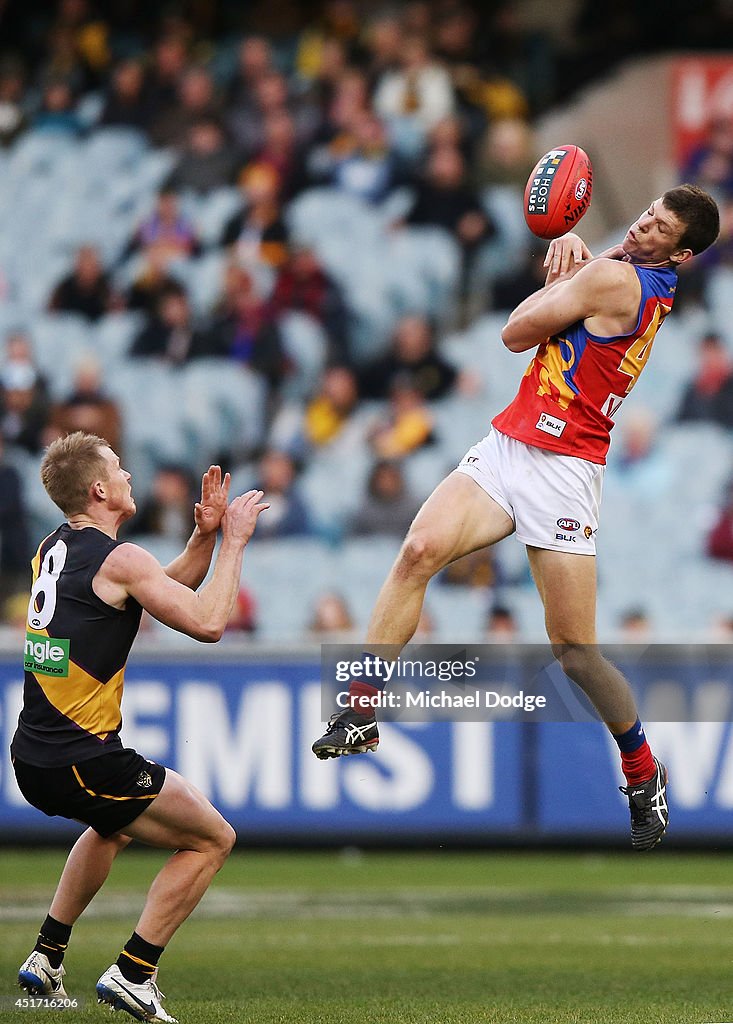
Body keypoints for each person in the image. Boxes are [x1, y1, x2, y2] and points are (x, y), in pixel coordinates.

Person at [312, 183, 720, 852]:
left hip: (563, 470)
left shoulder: (618, 282)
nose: (642, 225)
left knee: (575, 653)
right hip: (509, 446)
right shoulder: (626, 272)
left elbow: (512, 333)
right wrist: (580, 263)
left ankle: (642, 769)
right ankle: (359, 705)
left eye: (657, 228)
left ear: (677, 254)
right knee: (418, 552)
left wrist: (562, 267)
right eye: (645, 213)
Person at [13, 431, 268, 1020]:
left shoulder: (55, 548)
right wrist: (232, 543)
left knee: (114, 827)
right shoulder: (121, 559)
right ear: (101, 489)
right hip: (84, 758)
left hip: (35, 756)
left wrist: (202, 536)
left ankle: (48, 955)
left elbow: (154, 590)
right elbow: (206, 623)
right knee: (213, 838)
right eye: (119, 468)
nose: (129, 475)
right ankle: (135, 971)